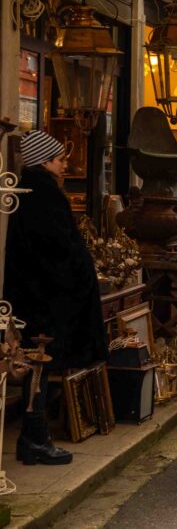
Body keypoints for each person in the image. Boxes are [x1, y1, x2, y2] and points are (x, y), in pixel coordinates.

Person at [5, 131, 108, 465]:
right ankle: (34, 439)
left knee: (41, 363)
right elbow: (54, 247)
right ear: (44, 161)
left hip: (42, 293)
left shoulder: (39, 191)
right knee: (40, 361)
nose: (66, 165)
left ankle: (36, 436)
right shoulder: (42, 194)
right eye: (61, 159)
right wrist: (77, 276)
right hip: (46, 296)